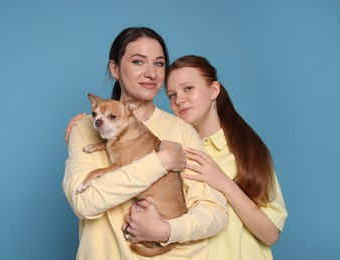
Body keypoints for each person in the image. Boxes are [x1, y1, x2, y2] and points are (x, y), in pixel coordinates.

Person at [63, 28, 228, 260]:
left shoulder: (181, 131)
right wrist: (161, 161)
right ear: (115, 68)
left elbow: (214, 213)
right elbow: (84, 202)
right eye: (138, 61)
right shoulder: (86, 128)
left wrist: (165, 231)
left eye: (159, 64)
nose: (151, 73)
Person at [123, 55, 288, 259]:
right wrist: (86, 126)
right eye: (172, 95)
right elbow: (123, 159)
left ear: (213, 90)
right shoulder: (169, 149)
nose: (179, 100)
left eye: (188, 88)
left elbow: (271, 234)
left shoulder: (249, 150)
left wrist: (224, 184)